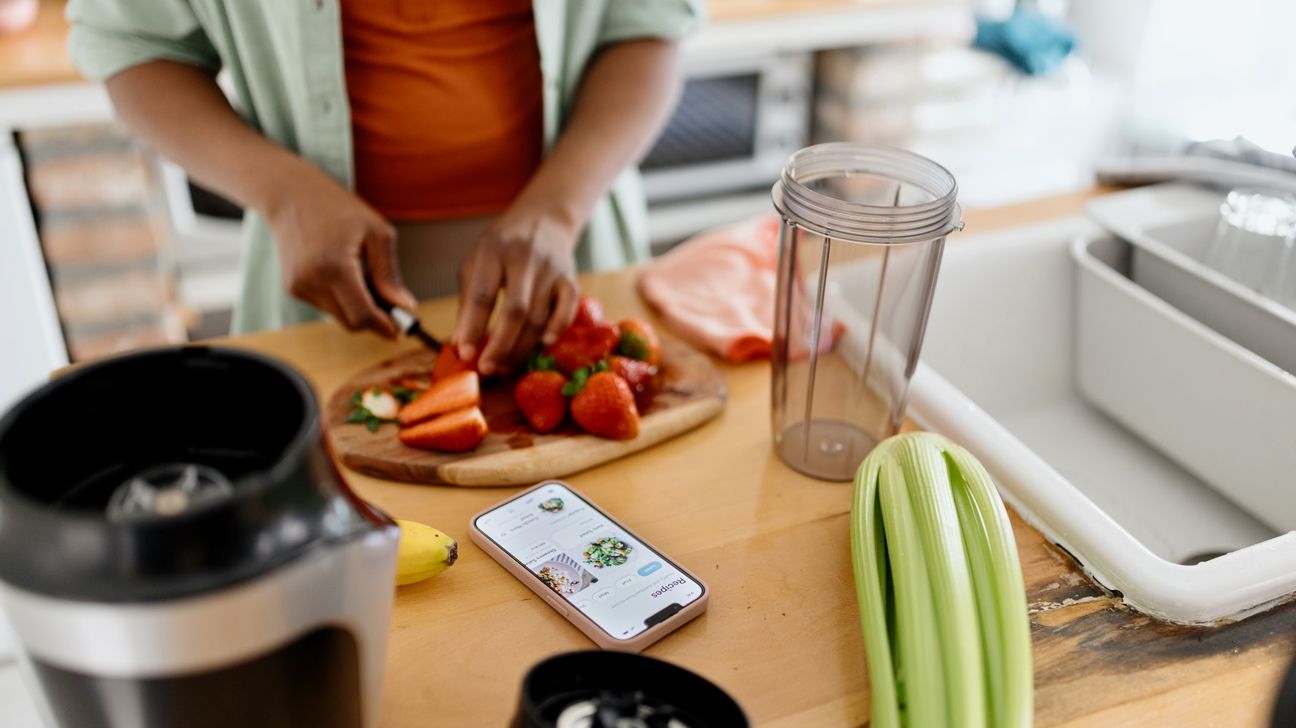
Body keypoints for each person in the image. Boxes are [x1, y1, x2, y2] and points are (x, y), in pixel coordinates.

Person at [66, 1, 701, 375]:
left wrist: (559, 208)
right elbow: (132, 42)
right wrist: (284, 194)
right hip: (323, 297)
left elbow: (646, 22)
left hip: (575, 253)